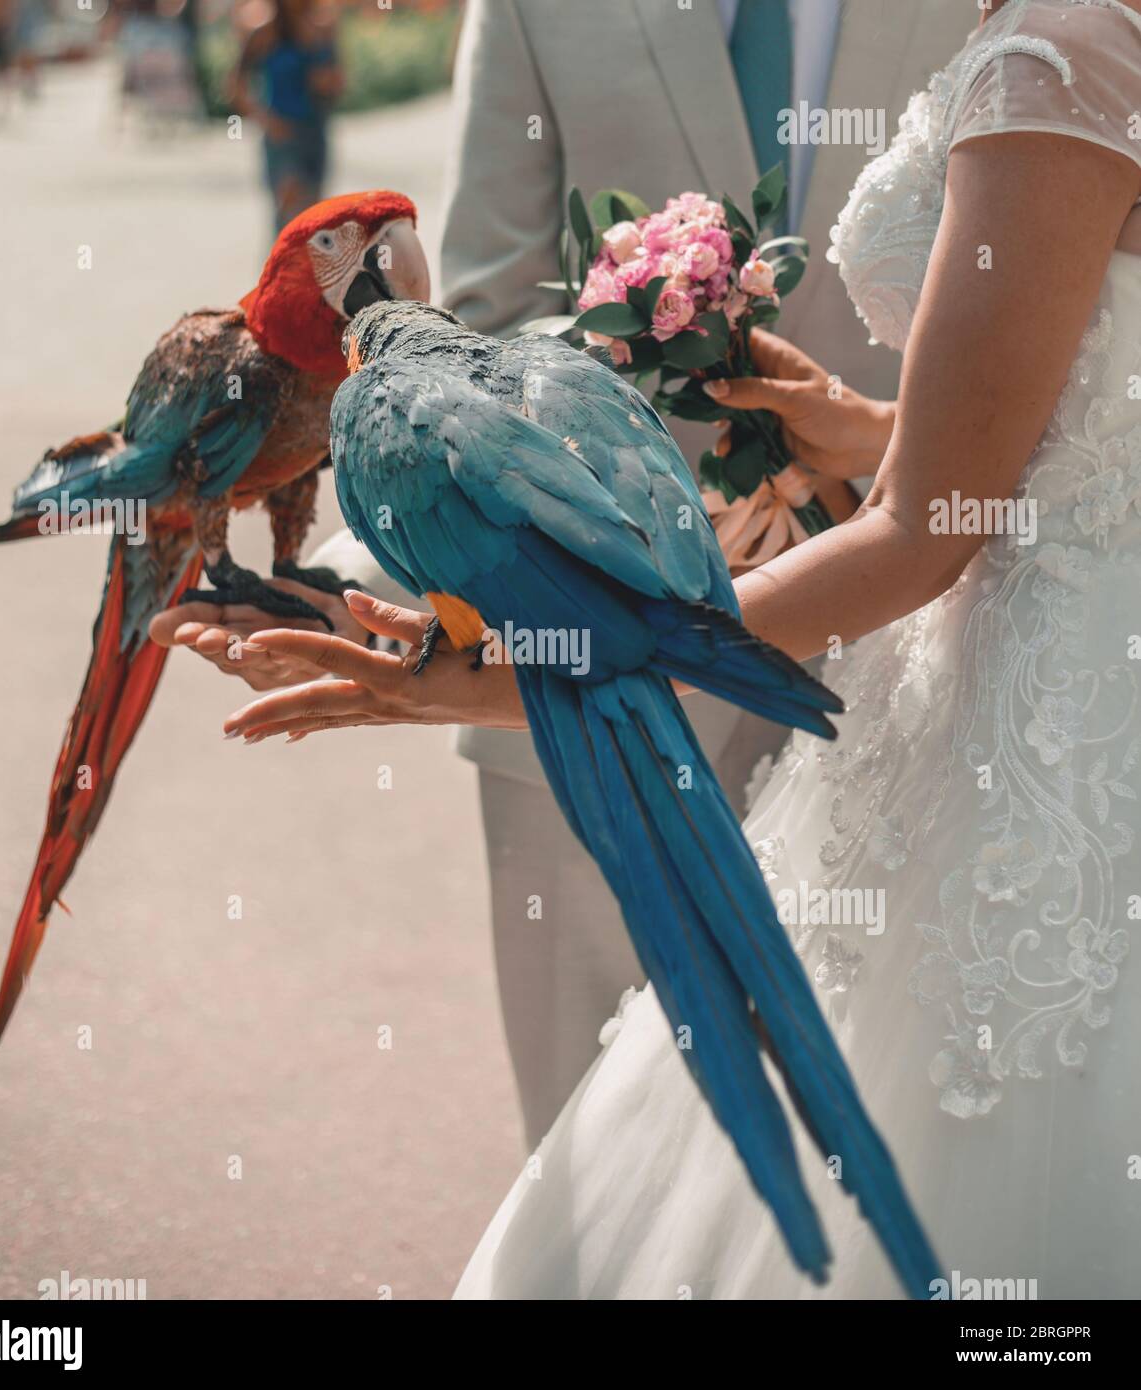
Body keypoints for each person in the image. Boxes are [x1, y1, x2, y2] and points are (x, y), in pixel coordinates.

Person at [217, 0, 1141, 1298]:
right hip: (894, 676)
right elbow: (1081, 415)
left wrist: (496, 670)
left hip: (1003, 736)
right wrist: (879, 430)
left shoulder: (1060, 41)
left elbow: (927, 532)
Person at [152, 0, 972, 1153]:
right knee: (596, 1153)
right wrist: (348, 570)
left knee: (897, 1118)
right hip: (548, 660)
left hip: (912, 664)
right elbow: (469, 312)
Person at [230, 0, 341, 234]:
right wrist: (265, 120)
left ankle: (307, 271)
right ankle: (280, 268)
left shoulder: (322, 28)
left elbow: (338, 83)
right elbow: (236, 85)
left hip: (314, 131)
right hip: (282, 137)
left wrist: (322, 72)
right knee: (287, 216)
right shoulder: (264, 30)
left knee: (315, 220)